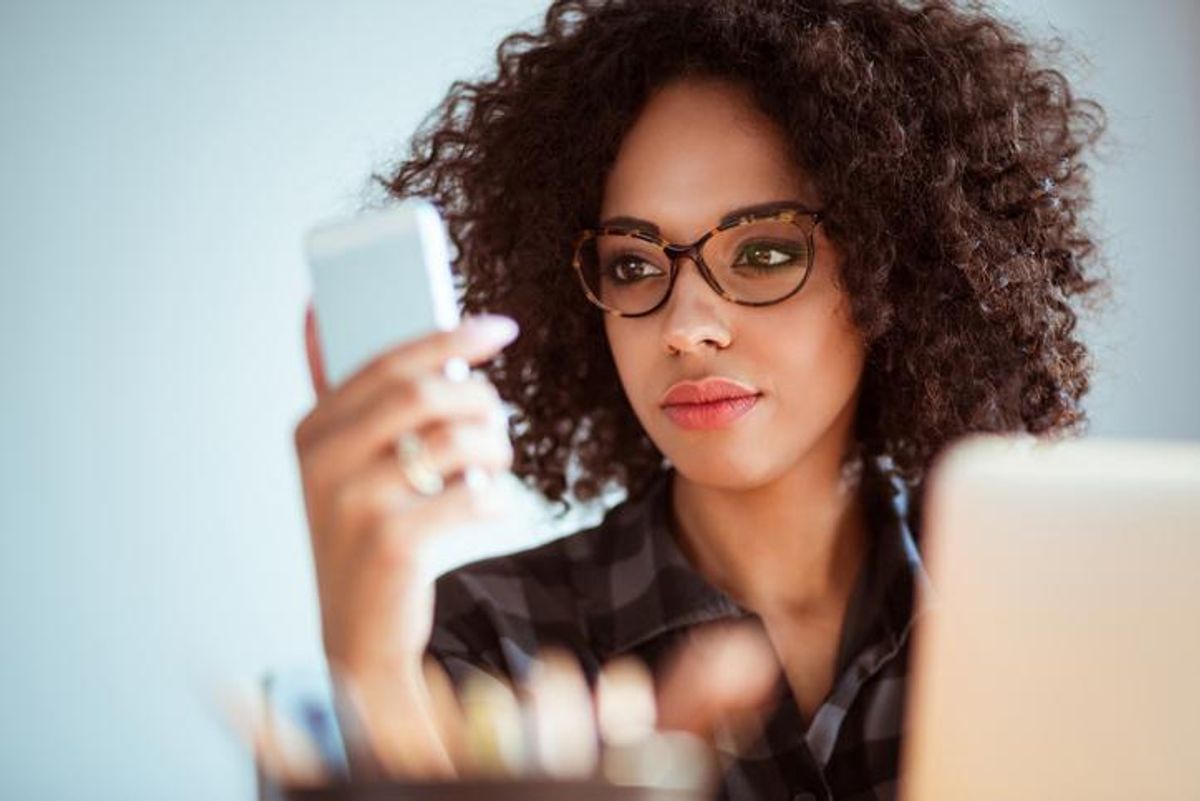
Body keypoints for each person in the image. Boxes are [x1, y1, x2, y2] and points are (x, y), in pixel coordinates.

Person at [293, 1, 1106, 798]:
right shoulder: (485, 647)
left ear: (890, 267)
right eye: (635, 266)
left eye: (762, 250)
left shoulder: (1047, 632)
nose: (686, 328)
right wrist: (369, 664)